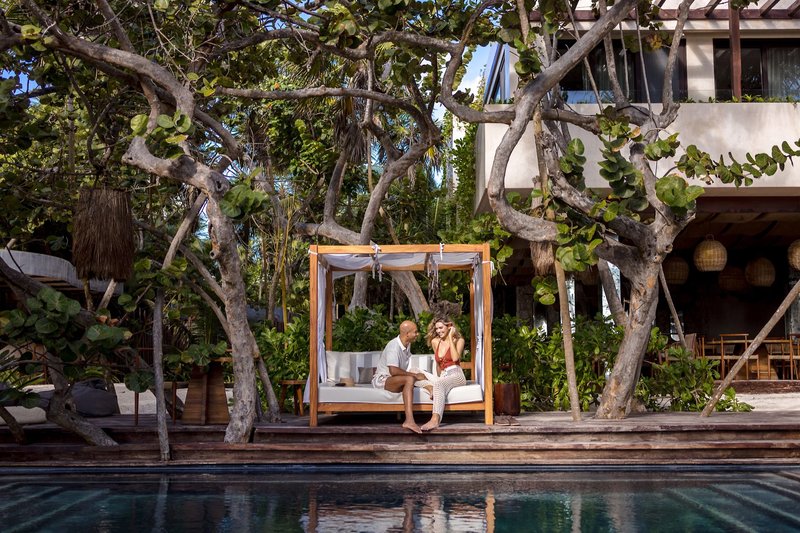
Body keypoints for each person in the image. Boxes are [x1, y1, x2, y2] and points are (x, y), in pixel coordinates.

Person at [372, 320, 425, 433]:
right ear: (407, 334)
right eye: (415, 332)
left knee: (414, 378)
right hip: (383, 379)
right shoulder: (394, 346)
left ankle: (431, 389)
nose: (417, 334)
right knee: (411, 378)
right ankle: (409, 421)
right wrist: (414, 375)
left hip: (396, 379)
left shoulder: (407, 344)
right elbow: (394, 371)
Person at [419, 317, 466, 431]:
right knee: (413, 371)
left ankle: (435, 420)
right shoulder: (435, 342)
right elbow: (438, 364)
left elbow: (455, 358)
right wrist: (439, 379)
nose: (438, 331)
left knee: (439, 384)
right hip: (443, 376)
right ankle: (430, 388)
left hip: (456, 374)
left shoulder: (459, 340)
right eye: (436, 329)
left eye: (441, 328)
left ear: (449, 326)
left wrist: (450, 337)